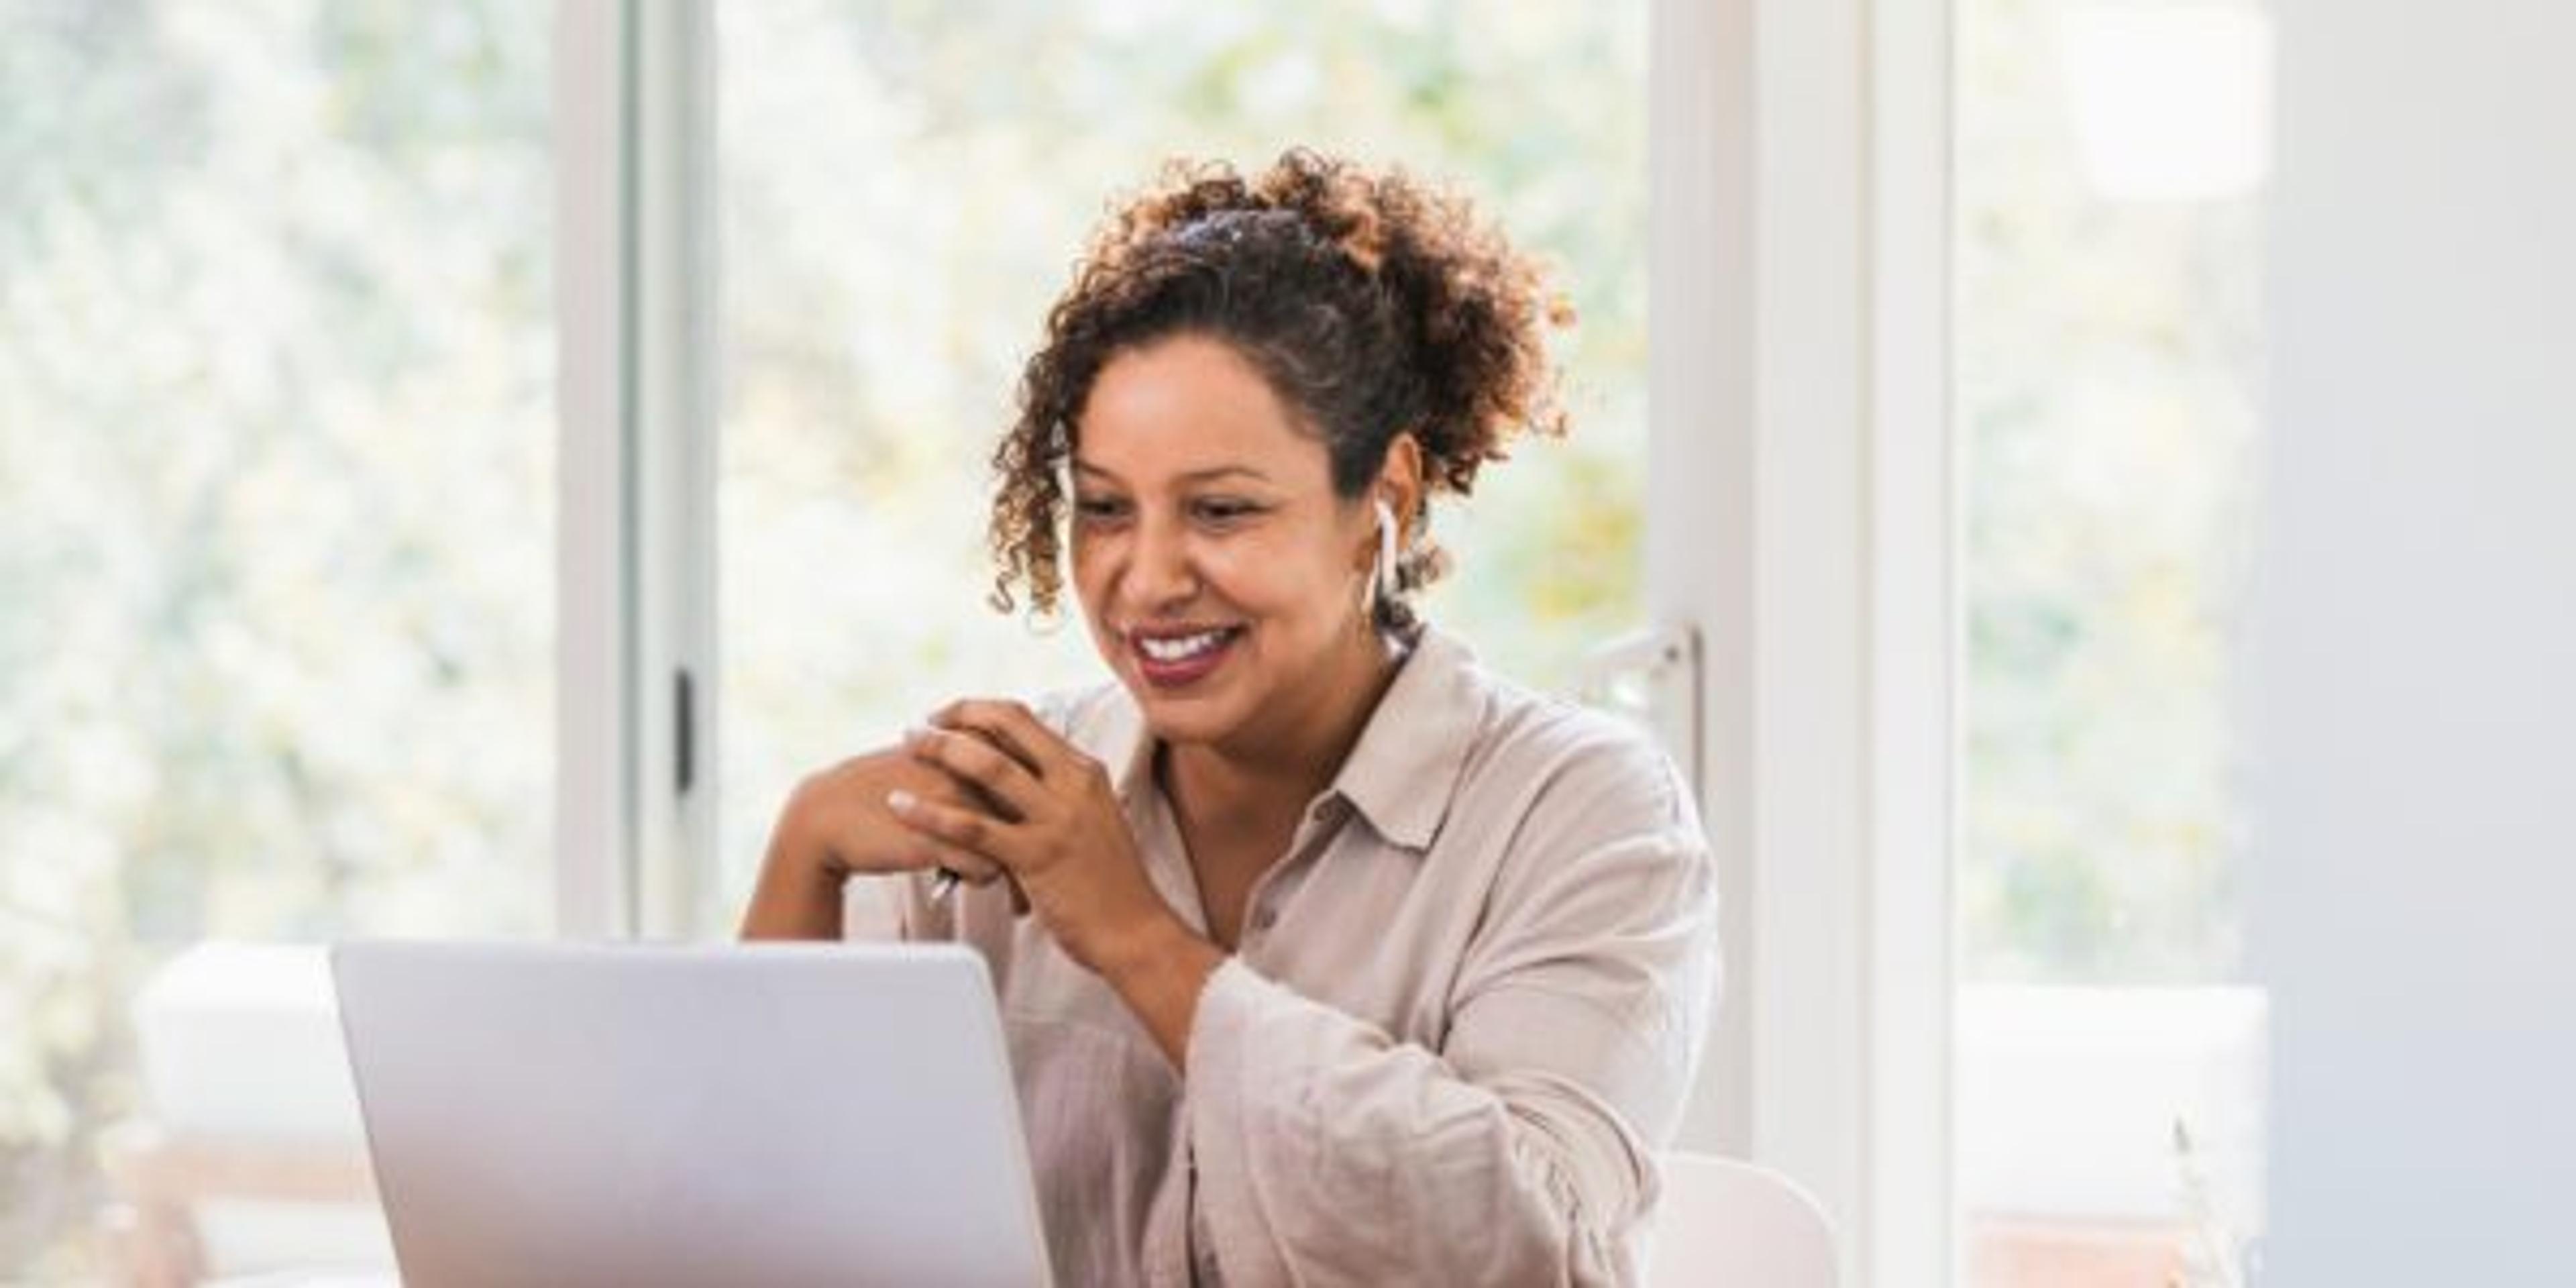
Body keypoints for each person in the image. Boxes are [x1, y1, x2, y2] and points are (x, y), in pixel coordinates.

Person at [741, 148, 1719, 1287]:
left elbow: (1530, 1247)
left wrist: (1134, 936)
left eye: (1221, 510)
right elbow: (748, 1227)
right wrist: (806, 848)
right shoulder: (980, 813)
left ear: (1383, 506)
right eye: (1105, 509)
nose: (1147, 578)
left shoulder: (1581, 815)